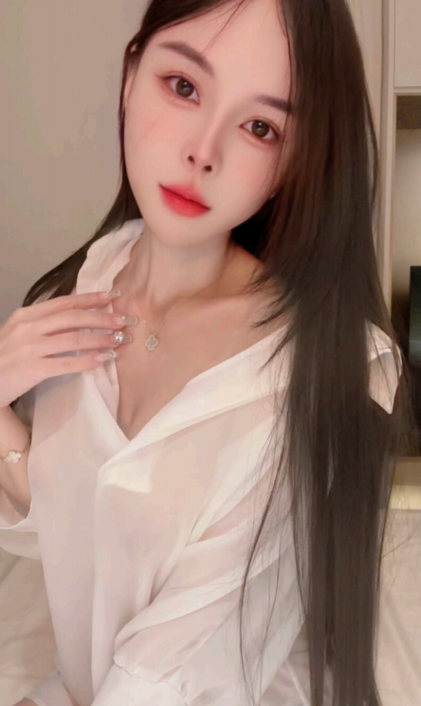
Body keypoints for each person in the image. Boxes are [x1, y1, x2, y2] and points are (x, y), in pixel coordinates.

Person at [0, 0, 414, 705]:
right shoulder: (83, 289)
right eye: (184, 86)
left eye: (260, 127)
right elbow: (73, 534)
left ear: (295, 162)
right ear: (130, 79)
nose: (203, 152)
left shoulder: (310, 370)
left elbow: (162, 676)